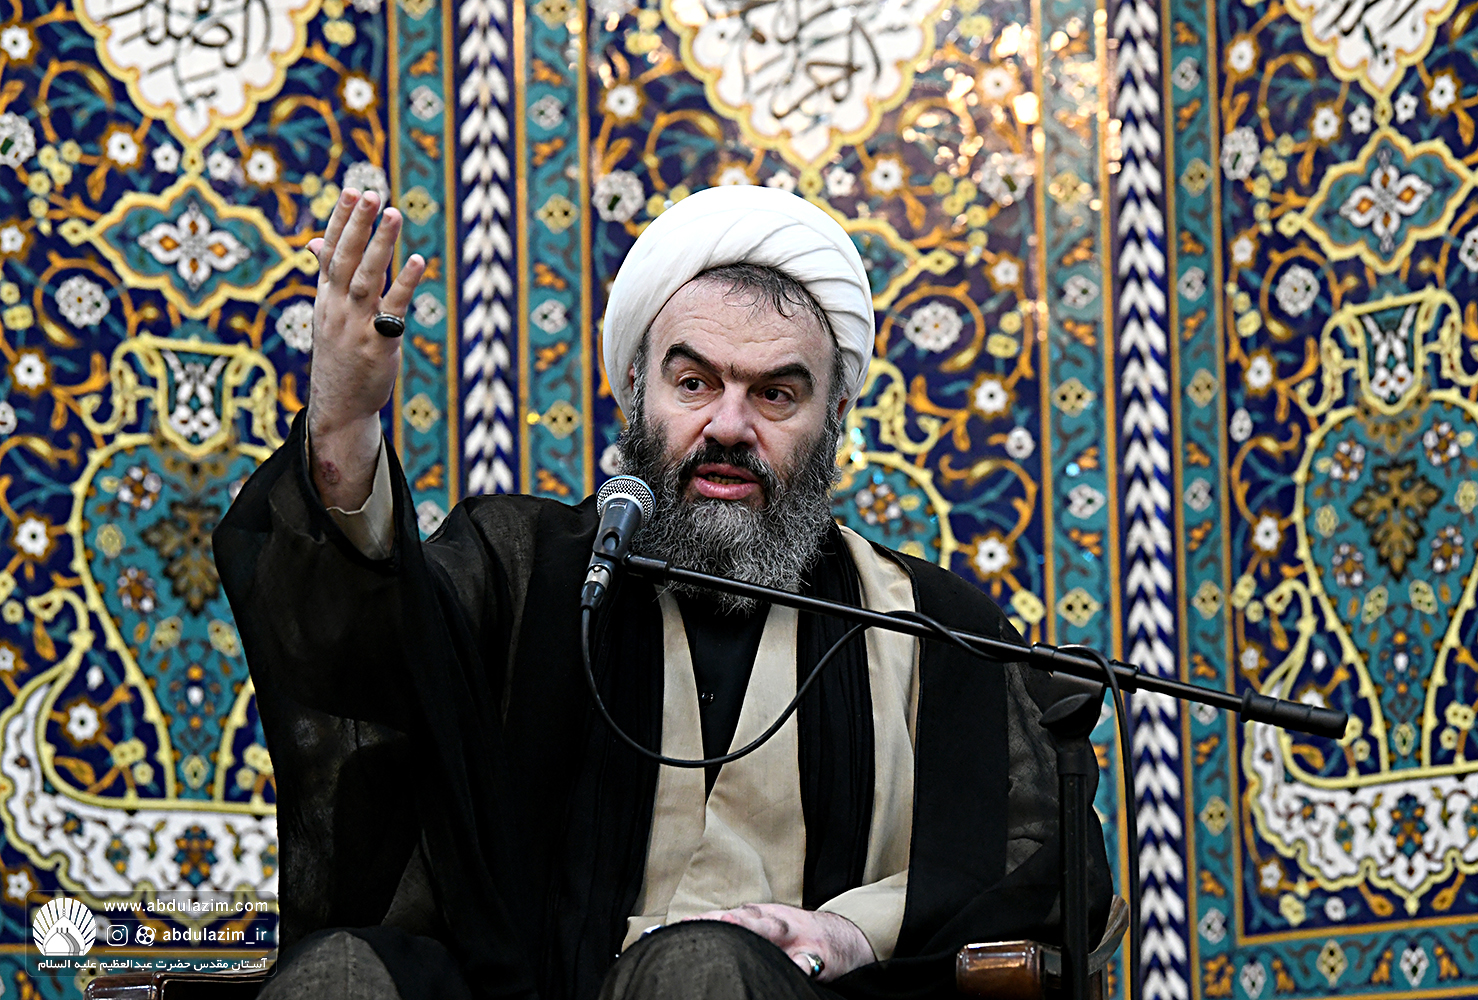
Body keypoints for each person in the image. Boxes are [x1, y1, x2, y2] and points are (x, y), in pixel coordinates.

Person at [213, 185, 1112, 1000]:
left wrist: (850, 932)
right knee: (337, 976)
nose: (729, 426)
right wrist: (343, 422)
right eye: (694, 384)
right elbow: (366, 661)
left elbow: (1041, 860)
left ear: (834, 416)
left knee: (699, 970)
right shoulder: (523, 572)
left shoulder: (927, 627)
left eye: (776, 395)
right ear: (638, 390)